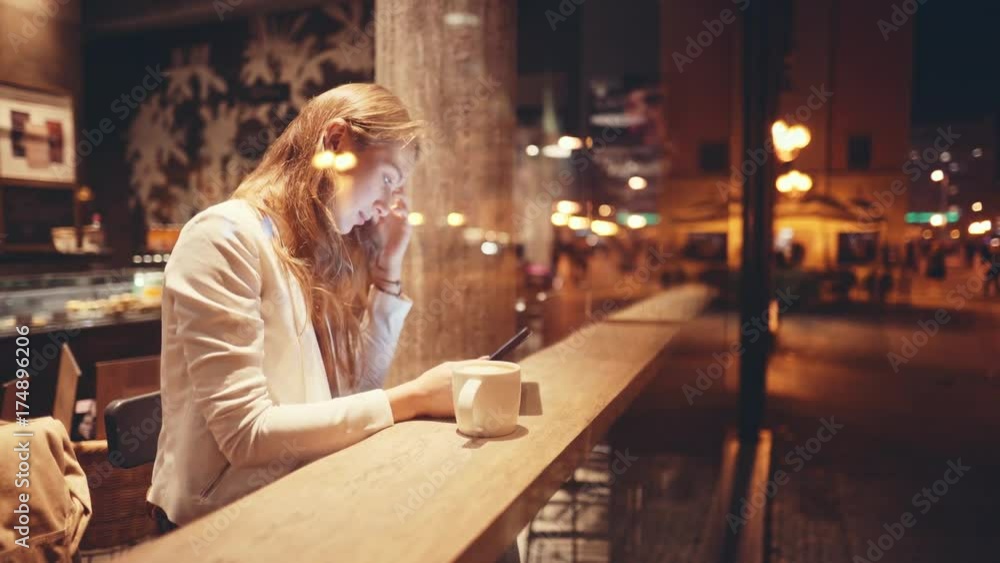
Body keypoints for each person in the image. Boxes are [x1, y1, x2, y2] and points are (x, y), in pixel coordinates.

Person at [147, 84, 475, 529]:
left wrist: (388, 269)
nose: (385, 207)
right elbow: (246, 436)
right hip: (218, 527)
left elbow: (358, 392)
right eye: (387, 179)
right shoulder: (223, 237)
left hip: (297, 502)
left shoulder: (306, 248)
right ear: (335, 141)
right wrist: (415, 398)